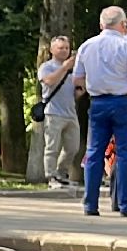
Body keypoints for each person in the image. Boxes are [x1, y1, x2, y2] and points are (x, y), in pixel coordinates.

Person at [73, 5, 127, 218]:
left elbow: (78, 79)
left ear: (101, 24)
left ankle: (91, 204)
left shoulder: (87, 46)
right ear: (124, 24)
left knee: (94, 152)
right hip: (124, 102)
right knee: (126, 154)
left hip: (97, 102)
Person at [37, 36, 80, 187]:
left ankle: (61, 174)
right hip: (53, 112)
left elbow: (76, 92)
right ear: (52, 50)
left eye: (66, 48)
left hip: (70, 112)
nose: (64, 51)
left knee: (73, 147)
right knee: (52, 147)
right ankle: (51, 177)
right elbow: (48, 81)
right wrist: (64, 68)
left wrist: (82, 88)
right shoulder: (46, 67)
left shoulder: (73, 70)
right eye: (60, 48)